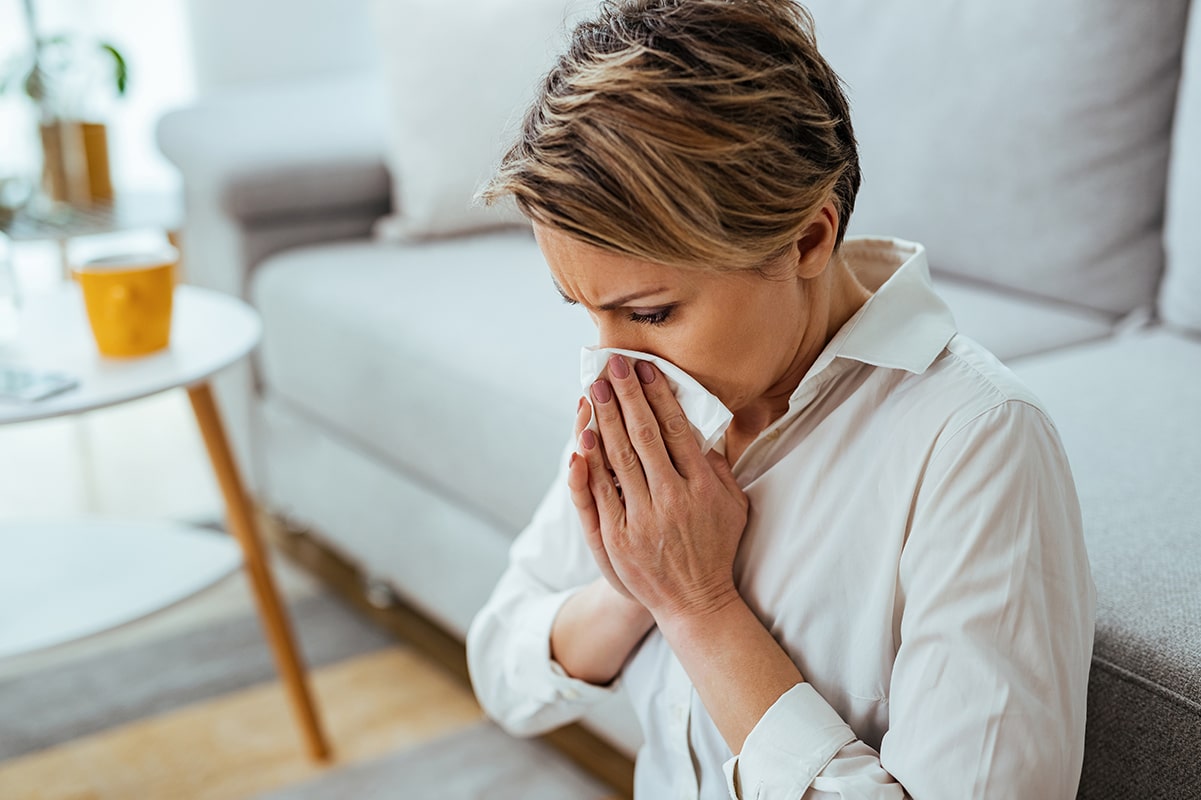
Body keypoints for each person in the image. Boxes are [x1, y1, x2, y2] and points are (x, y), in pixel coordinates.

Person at [466, 1, 1096, 798]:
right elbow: (503, 670)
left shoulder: (974, 445)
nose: (605, 363)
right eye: (585, 311)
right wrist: (634, 586)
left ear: (807, 239)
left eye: (651, 312)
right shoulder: (653, 396)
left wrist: (698, 608)